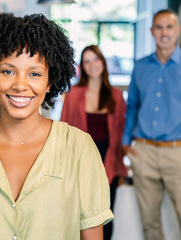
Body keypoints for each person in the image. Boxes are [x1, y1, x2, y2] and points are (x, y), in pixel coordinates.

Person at [0, 13, 113, 240]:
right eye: (8, 71)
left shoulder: (79, 148)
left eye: (35, 73)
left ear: (50, 81)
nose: (20, 85)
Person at [122, 9, 181, 240]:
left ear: (177, 30)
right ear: (151, 31)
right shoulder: (140, 67)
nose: (164, 32)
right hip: (144, 152)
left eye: (169, 27)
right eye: (159, 27)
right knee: (150, 226)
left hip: (179, 153)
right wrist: (125, 143)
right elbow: (132, 108)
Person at [61, 45, 127, 240]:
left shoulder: (116, 96)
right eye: (87, 61)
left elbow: (120, 134)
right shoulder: (73, 94)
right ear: (82, 66)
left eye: (95, 59)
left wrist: (121, 168)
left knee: (105, 216)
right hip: (80, 162)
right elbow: (63, 129)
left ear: (103, 63)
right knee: (79, 217)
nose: (92, 65)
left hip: (108, 162)